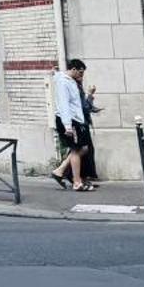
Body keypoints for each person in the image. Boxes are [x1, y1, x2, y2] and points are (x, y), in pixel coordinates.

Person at [49, 60, 94, 192]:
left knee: (83, 149)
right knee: (76, 150)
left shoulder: (70, 81)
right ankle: (77, 182)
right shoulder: (64, 82)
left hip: (76, 120)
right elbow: (64, 105)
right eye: (80, 72)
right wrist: (67, 126)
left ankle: (60, 171)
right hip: (69, 120)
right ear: (73, 69)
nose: (81, 76)